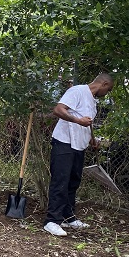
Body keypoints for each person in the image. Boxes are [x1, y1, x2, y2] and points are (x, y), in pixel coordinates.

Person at [44, 73, 114, 237]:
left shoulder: (92, 101)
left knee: (73, 182)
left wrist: (91, 140)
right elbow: (58, 110)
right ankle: (52, 221)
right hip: (64, 143)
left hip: (78, 146)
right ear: (103, 84)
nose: (107, 93)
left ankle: (68, 218)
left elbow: (85, 123)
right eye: (108, 89)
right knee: (60, 181)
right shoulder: (78, 91)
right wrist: (78, 121)